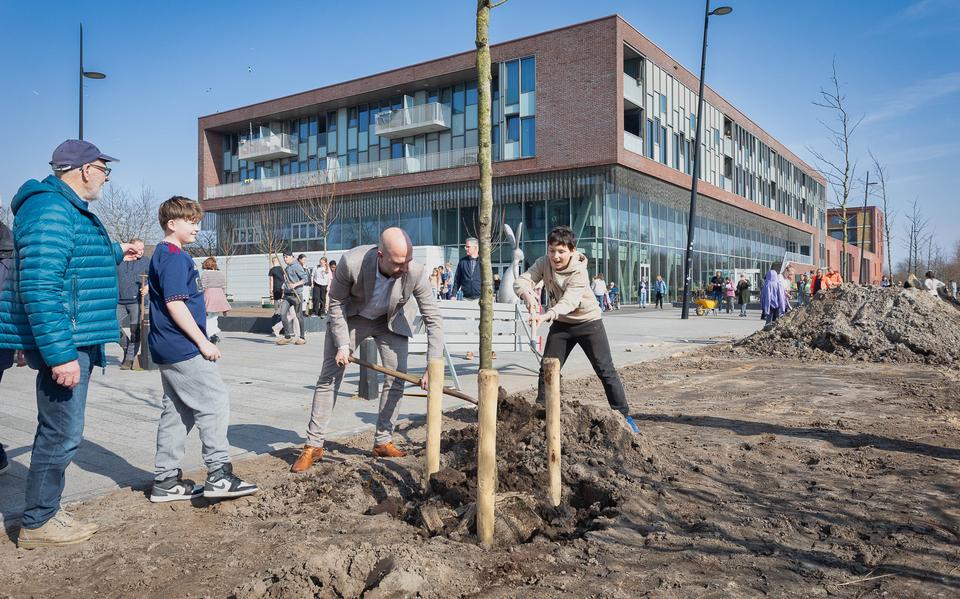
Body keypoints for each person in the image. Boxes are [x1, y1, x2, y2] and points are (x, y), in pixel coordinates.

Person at [0, 139, 140, 548]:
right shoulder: (51, 209)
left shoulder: (62, 209)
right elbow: (40, 286)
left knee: (61, 431)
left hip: (75, 334)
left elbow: (72, 262)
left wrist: (117, 250)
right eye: (103, 170)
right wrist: (61, 354)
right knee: (62, 433)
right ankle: (39, 522)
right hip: (67, 339)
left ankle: (46, 511)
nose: (106, 178)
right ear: (83, 169)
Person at [290, 227, 444, 472]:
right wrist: (342, 345)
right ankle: (314, 445)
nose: (405, 268)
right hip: (353, 318)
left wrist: (432, 366)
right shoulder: (352, 263)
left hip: (390, 321)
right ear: (381, 255)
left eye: (408, 261)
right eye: (398, 263)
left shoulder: (414, 270)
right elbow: (336, 302)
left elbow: (433, 319)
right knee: (329, 377)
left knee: (396, 379)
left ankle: (383, 441)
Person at [147, 196, 257, 503]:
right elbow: (175, 303)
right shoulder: (173, 257)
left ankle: (166, 480)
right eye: (191, 222)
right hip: (182, 346)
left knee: (177, 412)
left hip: (166, 346)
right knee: (214, 402)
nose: (197, 227)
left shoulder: (164, 254)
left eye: (198, 221)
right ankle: (220, 474)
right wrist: (203, 341)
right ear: (172, 224)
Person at [515, 226, 639, 434]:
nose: (555, 256)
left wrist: (546, 315)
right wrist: (527, 296)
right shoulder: (543, 263)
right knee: (547, 368)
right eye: (552, 250)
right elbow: (522, 281)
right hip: (562, 324)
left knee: (605, 370)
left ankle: (624, 415)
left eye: (561, 251)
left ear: (572, 251)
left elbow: (569, 302)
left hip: (588, 323)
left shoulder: (579, 271)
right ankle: (541, 414)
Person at [116, 238, 148, 370]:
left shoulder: (146, 261)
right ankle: (127, 346)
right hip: (119, 300)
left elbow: (156, 278)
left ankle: (129, 359)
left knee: (136, 330)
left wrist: (148, 287)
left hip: (137, 301)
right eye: (138, 249)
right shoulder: (120, 260)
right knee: (112, 327)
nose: (141, 252)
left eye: (143, 249)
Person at [276, 252, 307, 346]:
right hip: (287, 295)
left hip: (296, 295)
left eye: (287, 257)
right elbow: (287, 281)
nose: (285, 259)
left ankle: (302, 337)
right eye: (284, 257)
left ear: (292, 257)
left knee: (299, 316)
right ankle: (287, 336)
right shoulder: (286, 268)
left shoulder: (297, 266)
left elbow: (305, 278)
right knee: (282, 314)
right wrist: (284, 286)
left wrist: (295, 284)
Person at [200, 257, 231, 345]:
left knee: (208, 317)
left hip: (209, 296)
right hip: (219, 295)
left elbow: (202, 287)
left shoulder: (205, 274)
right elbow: (223, 286)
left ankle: (211, 335)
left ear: (206, 265)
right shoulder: (220, 274)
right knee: (214, 316)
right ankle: (213, 333)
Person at [268, 256, 286, 336]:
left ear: (272, 262)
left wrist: (270, 290)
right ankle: (281, 329)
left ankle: (275, 327)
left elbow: (271, 280)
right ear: (278, 261)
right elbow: (285, 279)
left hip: (276, 289)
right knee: (283, 307)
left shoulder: (271, 270)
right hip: (283, 289)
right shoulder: (282, 269)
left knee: (276, 308)